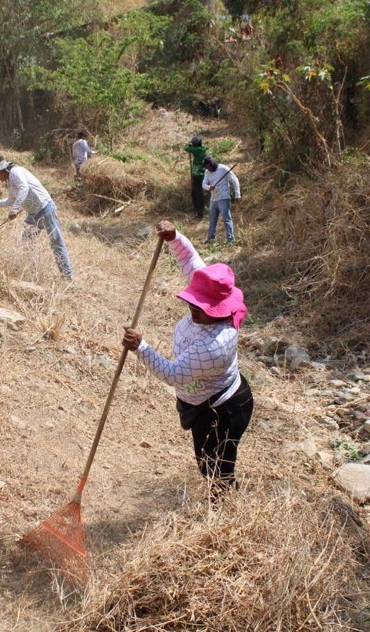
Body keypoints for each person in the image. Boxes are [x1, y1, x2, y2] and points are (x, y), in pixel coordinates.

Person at [122, 220, 254, 495]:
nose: (193, 308)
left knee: (217, 468)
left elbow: (174, 374)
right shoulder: (211, 290)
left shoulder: (215, 344)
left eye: (201, 307)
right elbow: (191, 262)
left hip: (223, 408)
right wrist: (175, 238)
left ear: (219, 308)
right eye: (193, 302)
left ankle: (226, 508)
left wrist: (141, 347)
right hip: (201, 401)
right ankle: (221, 498)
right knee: (206, 462)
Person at [0, 156, 74, 280]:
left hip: (45, 209)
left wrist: (14, 210)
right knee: (26, 242)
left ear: (2, 170)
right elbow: (10, 200)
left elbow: (24, 188)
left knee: (56, 242)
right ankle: (33, 272)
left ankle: (67, 277)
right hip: (33, 214)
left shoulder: (16, 172)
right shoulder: (10, 182)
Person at [201, 156, 241, 244]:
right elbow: (203, 184)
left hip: (224, 198)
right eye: (206, 167)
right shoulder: (207, 172)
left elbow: (235, 180)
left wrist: (237, 194)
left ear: (212, 163)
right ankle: (211, 239)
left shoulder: (223, 169)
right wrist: (208, 187)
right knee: (212, 220)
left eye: (209, 166)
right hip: (213, 199)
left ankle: (230, 239)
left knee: (227, 219)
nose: (208, 168)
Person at [184, 136, 208, 219]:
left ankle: (198, 211)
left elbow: (186, 148)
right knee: (198, 193)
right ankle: (198, 210)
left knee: (197, 193)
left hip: (197, 174)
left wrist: (189, 144)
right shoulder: (202, 148)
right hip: (201, 173)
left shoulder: (197, 150)